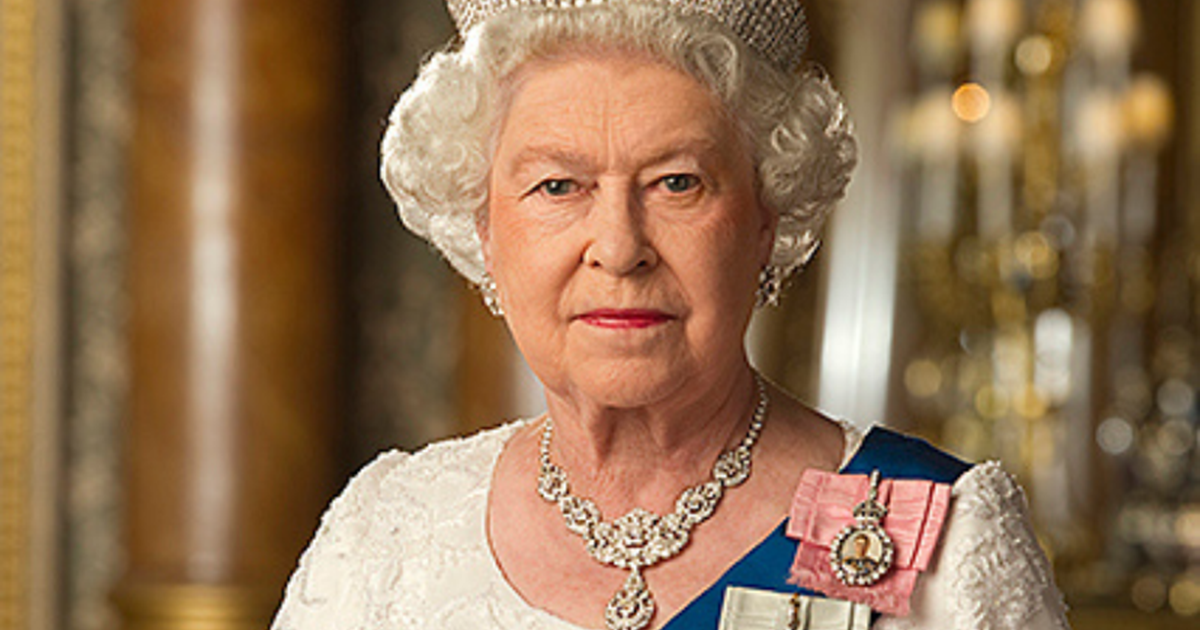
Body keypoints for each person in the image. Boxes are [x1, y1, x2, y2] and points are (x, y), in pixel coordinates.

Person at [272, 1, 1070, 629]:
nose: (619, 248)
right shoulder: (388, 534)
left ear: (766, 217)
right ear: (486, 230)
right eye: (558, 187)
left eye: (677, 182)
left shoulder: (928, 534)